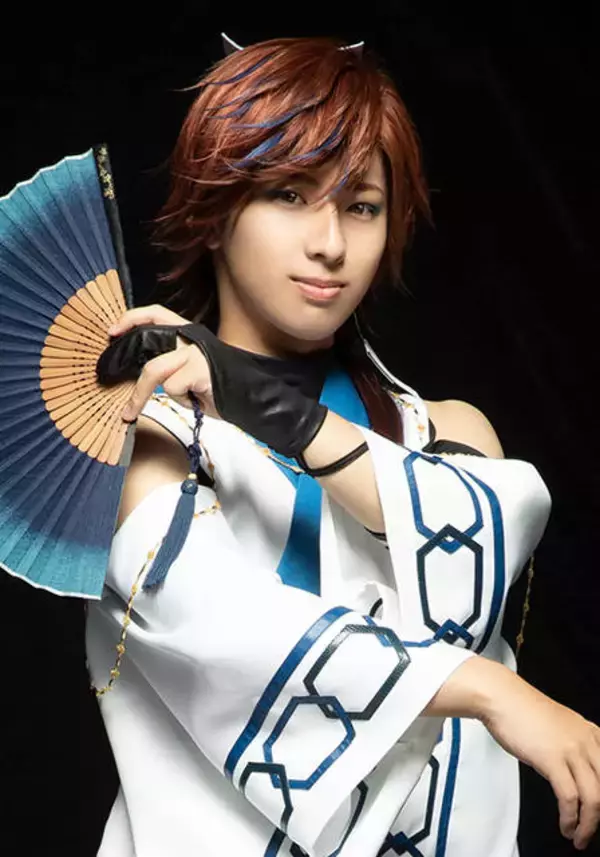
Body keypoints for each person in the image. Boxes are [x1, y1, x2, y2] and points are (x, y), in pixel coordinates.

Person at [85, 35, 600, 856]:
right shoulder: (146, 434)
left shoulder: (443, 430)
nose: (330, 242)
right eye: (289, 194)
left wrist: (271, 408)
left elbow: (473, 545)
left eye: (361, 205)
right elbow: (221, 622)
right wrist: (489, 689)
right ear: (214, 214)